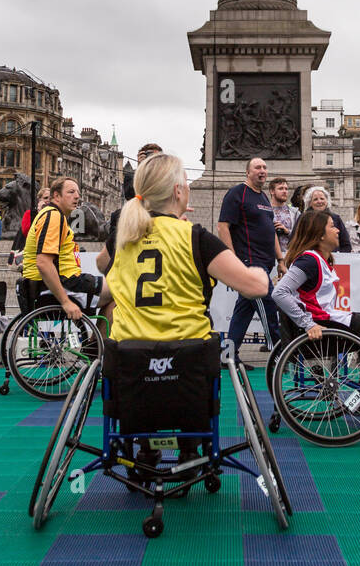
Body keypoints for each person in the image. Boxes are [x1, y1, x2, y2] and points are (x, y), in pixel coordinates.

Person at [99, 153, 270, 475]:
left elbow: (105, 281)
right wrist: (260, 265)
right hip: (188, 360)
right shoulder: (195, 238)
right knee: (197, 359)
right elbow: (254, 287)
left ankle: (146, 448)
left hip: (129, 361)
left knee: (141, 371)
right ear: (179, 192)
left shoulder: (125, 239)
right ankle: (189, 448)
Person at [271, 208, 360, 409]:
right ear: (319, 234)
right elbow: (279, 293)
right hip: (320, 325)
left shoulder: (322, 259)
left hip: (329, 319)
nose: (338, 230)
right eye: (332, 226)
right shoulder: (309, 260)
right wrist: (308, 324)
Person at [218, 158, 284, 357]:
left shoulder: (263, 198)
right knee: (268, 304)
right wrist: (232, 259)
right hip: (249, 262)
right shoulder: (237, 193)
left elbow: (270, 231)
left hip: (265, 262)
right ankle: (279, 353)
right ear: (248, 172)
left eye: (264, 167)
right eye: (257, 167)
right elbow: (223, 226)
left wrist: (280, 260)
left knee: (243, 311)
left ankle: (228, 356)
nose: (262, 170)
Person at [22, 178, 104, 319]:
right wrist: (65, 302)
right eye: (71, 192)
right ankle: (98, 341)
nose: (77, 196)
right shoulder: (53, 216)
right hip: (67, 283)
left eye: (77, 192)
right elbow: (43, 262)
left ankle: (95, 340)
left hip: (60, 281)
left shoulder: (53, 215)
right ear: (56, 196)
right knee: (118, 291)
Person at [98, 143, 163, 276]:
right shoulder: (131, 175)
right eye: (149, 156)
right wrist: (140, 169)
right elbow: (129, 194)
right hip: (135, 214)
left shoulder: (165, 177)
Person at [299, 186, 351, 252]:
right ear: (310, 203)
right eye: (315, 199)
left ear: (327, 201)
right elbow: (295, 242)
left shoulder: (336, 218)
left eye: (322, 199)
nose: (319, 201)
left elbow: (346, 244)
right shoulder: (303, 218)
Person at [268, 177, 299, 264]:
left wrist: (287, 231)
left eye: (286, 189)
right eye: (281, 188)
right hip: (269, 258)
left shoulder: (295, 212)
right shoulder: (264, 211)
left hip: (290, 258)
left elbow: (302, 236)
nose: (285, 191)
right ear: (272, 191)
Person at [16, 187, 51, 262]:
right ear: (39, 200)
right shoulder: (29, 213)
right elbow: (26, 232)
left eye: (50, 198)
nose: (48, 200)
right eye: (46, 198)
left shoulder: (55, 214)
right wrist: (40, 212)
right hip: (31, 255)